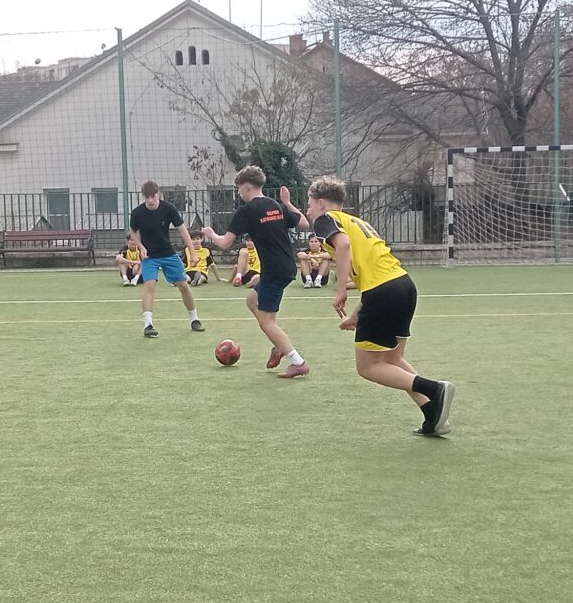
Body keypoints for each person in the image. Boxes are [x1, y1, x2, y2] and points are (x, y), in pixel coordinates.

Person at [306, 177, 454, 436]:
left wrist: (341, 289)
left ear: (320, 203)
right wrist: (357, 314)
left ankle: (434, 389)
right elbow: (372, 271)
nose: (308, 211)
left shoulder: (325, 220)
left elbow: (343, 246)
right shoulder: (356, 222)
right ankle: (432, 413)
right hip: (403, 285)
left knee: (367, 367)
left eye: (309, 204)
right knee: (393, 359)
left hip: (383, 292)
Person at [198, 166, 310, 378]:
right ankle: (279, 345)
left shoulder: (246, 211)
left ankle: (298, 362)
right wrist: (287, 203)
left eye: (239, 188)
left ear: (247, 187)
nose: (239, 193)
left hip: (274, 271)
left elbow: (225, 243)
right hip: (285, 266)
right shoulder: (275, 205)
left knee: (267, 322)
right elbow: (304, 223)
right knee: (251, 301)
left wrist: (211, 234)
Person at [127, 180, 204, 338]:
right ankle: (148, 325)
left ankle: (194, 319)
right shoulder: (137, 213)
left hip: (168, 253)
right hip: (150, 257)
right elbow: (133, 232)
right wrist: (141, 247)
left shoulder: (168, 208)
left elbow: (183, 230)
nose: (150, 200)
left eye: (153, 196)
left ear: (159, 194)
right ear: (143, 197)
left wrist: (193, 253)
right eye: (147, 197)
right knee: (150, 286)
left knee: (183, 285)